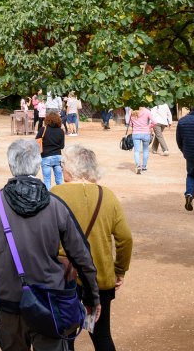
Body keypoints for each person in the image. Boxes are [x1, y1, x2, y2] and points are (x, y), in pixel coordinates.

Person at [0, 139, 99, 351]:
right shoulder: (56, 205)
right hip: (49, 299)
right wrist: (92, 296)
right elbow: (82, 256)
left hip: (8, 301)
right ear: (37, 167)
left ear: (11, 166)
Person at [51, 147, 132, 351]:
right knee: (101, 334)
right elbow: (125, 238)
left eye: (63, 165)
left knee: (64, 335)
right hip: (99, 277)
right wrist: (119, 270)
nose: (61, 169)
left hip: (63, 277)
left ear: (71, 167)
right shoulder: (108, 195)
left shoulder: (55, 194)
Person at [37, 112, 65, 188]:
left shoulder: (43, 130)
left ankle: (49, 198)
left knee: (47, 181)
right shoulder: (61, 131)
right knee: (59, 180)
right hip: (58, 157)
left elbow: (36, 142)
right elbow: (62, 146)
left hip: (46, 157)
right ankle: (61, 196)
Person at [128, 105, 154, 174]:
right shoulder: (147, 111)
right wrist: (149, 126)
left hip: (136, 133)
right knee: (145, 150)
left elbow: (130, 124)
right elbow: (155, 122)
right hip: (146, 133)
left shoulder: (132, 111)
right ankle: (144, 167)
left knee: (137, 151)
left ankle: (138, 165)